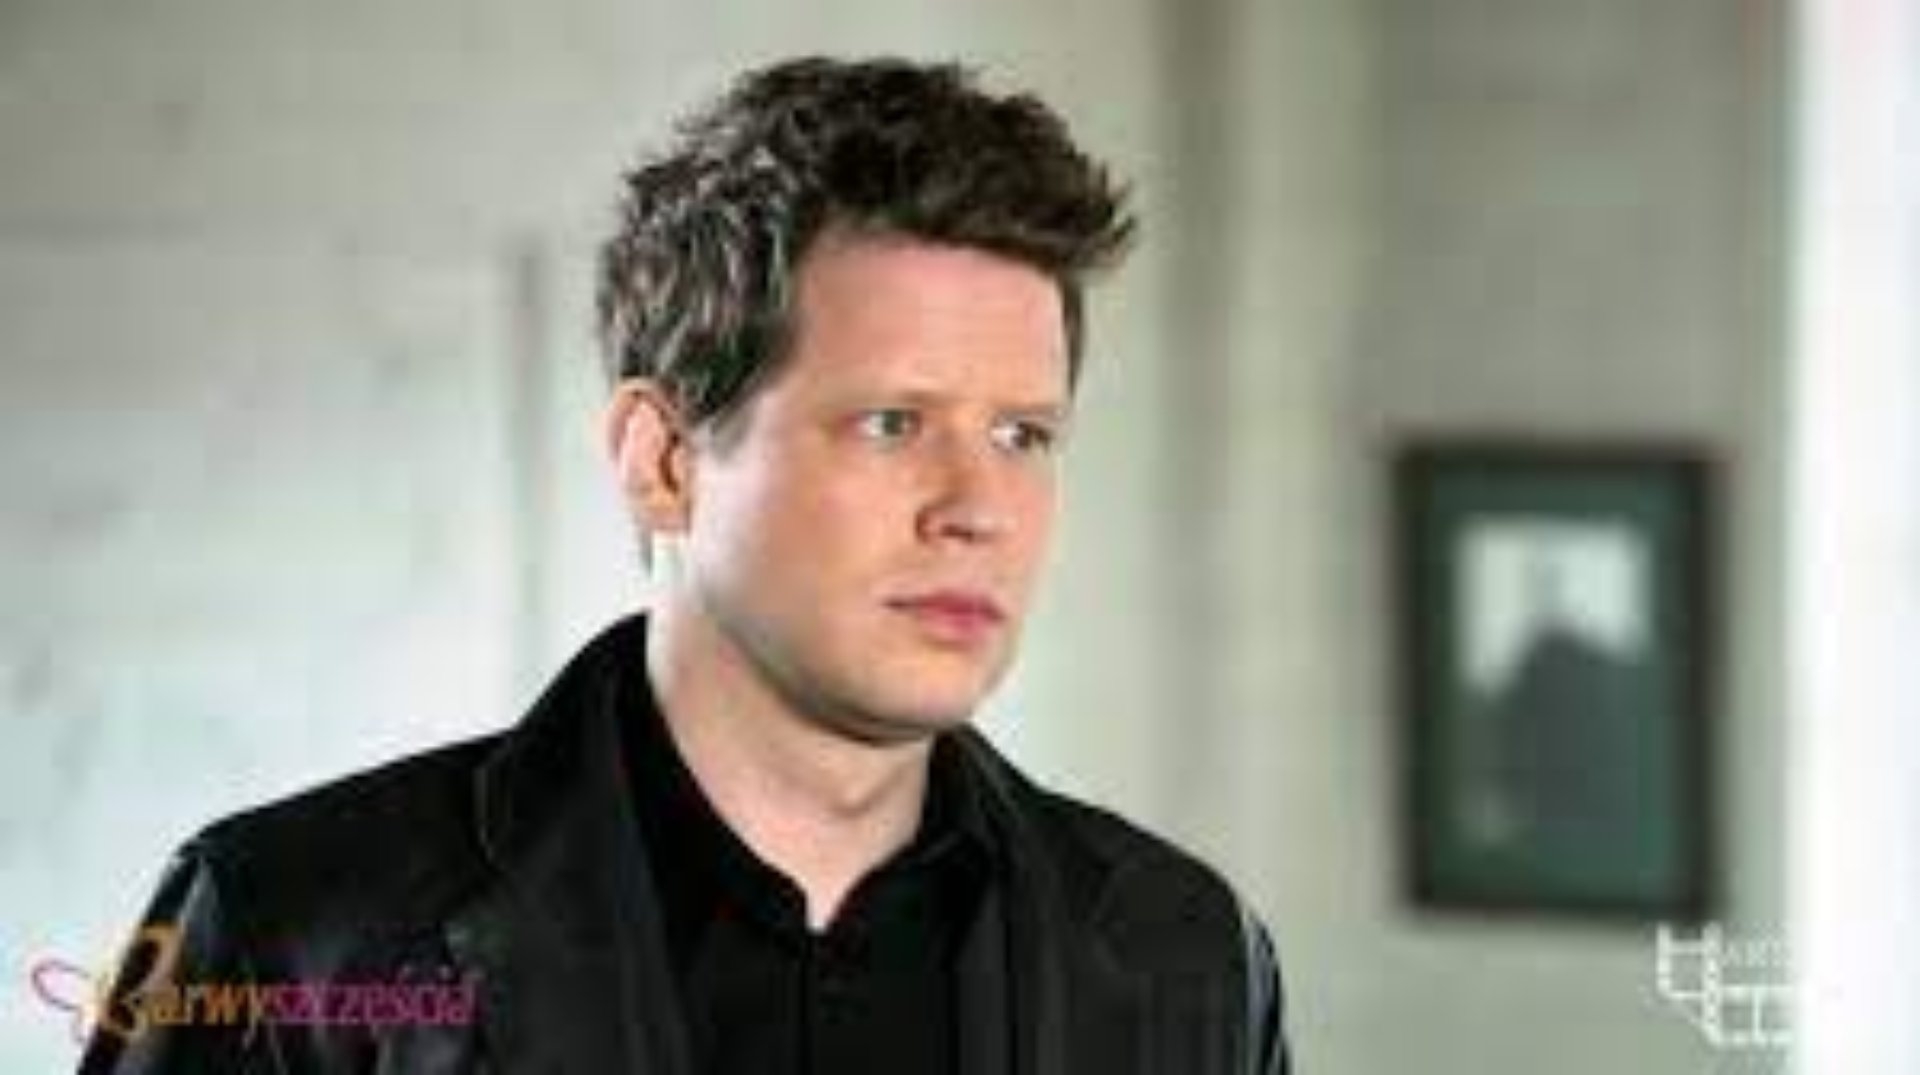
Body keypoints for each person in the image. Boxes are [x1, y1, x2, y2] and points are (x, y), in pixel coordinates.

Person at [81, 56, 1291, 1074]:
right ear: (662, 460)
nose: (978, 509)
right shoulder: (289, 935)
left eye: (1022, 436)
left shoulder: (1192, 958)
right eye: (892, 423)